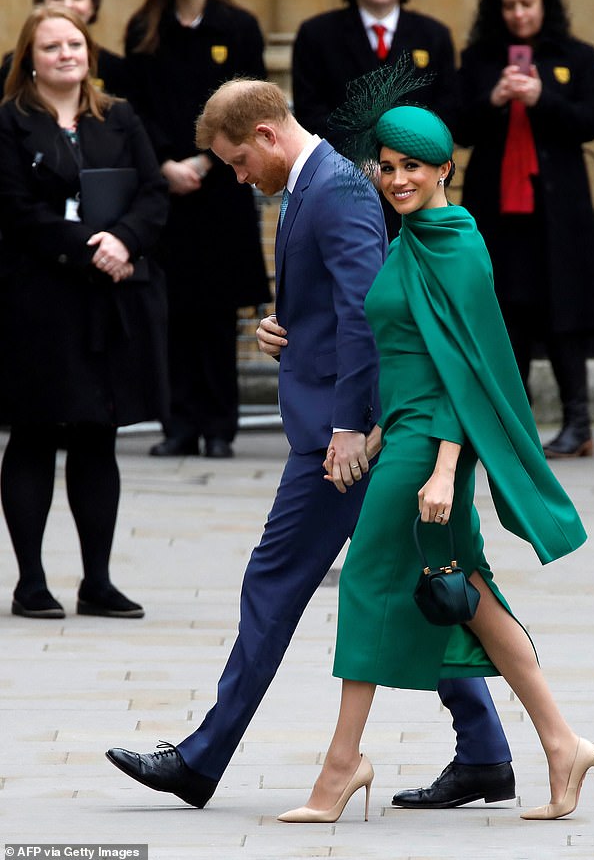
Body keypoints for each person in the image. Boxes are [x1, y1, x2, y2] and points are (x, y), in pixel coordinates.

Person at [104, 79, 515, 811]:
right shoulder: (314, 185)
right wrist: (283, 333)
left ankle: (201, 759)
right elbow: (342, 305)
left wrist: (350, 427)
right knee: (427, 584)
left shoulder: (336, 191)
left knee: (274, 581)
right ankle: (486, 749)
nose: (237, 177)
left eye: (236, 161)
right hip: (342, 421)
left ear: (265, 134)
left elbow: (367, 314)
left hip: (346, 438)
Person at [275, 103, 594, 824]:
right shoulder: (411, 238)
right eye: (388, 166)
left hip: (433, 443)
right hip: (405, 434)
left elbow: (465, 366)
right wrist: (373, 433)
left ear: (444, 168)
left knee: (367, 580)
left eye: (412, 167)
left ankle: (341, 767)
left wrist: (445, 467)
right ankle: (562, 742)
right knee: (473, 594)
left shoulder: (457, 243)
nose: (397, 179)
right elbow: (401, 348)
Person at [0, 5, 169, 619]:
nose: (65, 53)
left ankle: (97, 581)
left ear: (89, 53)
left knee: (99, 433)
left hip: (110, 302)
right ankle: (30, 582)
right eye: (51, 46)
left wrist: (123, 239)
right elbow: (15, 209)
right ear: (30, 60)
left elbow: (153, 191)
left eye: (74, 43)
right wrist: (90, 248)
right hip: (39, 304)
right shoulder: (9, 122)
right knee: (36, 433)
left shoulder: (118, 116)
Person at [124, 0, 270, 459]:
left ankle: (218, 427)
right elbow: (134, 109)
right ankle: (179, 424)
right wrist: (164, 163)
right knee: (174, 311)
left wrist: (209, 159)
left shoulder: (238, 26)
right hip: (165, 192)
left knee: (217, 312)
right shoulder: (146, 31)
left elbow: (253, 104)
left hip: (223, 185)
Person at [455, 0, 594, 458]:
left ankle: (578, 424)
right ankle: (509, 428)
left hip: (556, 213)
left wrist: (543, 97)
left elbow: (593, 120)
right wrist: (494, 98)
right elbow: (458, 129)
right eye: (509, 5)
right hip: (498, 211)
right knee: (506, 314)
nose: (518, 14)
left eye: (527, 3)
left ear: (545, 3)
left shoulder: (575, 55)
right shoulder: (479, 58)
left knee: (564, 312)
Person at [292, 0, 457, 241]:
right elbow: (311, 113)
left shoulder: (433, 36)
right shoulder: (317, 35)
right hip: (342, 189)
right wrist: (360, 162)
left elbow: (447, 110)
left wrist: (406, 166)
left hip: (418, 191)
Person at [0, 0, 129, 98]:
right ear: (41, 4)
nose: (67, 4)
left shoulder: (116, 69)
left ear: (92, 6)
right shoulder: (15, 64)